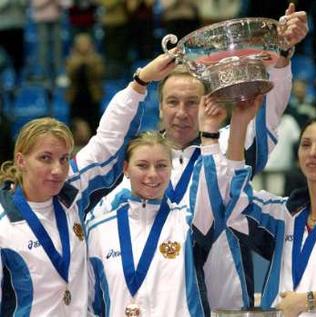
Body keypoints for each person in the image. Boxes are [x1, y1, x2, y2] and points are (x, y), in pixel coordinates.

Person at [88, 3, 309, 311]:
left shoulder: (231, 143)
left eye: (192, 102)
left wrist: (282, 54)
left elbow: (268, 111)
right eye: (173, 102)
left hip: (227, 301)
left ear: (208, 102)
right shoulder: (140, 165)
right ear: (160, 107)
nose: (181, 113)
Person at [0, 53, 176, 316]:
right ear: (21, 160)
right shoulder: (3, 223)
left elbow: (107, 143)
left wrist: (140, 82)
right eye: (45, 159)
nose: (57, 170)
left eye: (63, 159)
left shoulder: (71, 194)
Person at [195, 108, 316, 316]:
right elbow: (231, 202)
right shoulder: (283, 213)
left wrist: (306, 301)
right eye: (306, 145)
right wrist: (236, 125)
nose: (313, 152)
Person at [86, 97, 228, 316]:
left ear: (171, 168)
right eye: (142, 165)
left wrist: (209, 133)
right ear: (125, 169)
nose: (152, 174)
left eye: (161, 165)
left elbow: (215, 190)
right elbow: (90, 305)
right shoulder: (97, 229)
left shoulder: (189, 222)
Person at [65, 32, 105, 132]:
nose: (84, 46)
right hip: (76, 97)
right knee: (75, 126)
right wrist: (82, 61)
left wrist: (88, 60)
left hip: (92, 97)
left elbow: (99, 74)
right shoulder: (71, 59)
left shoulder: (97, 59)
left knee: (94, 126)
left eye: (86, 43)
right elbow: (70, 74)